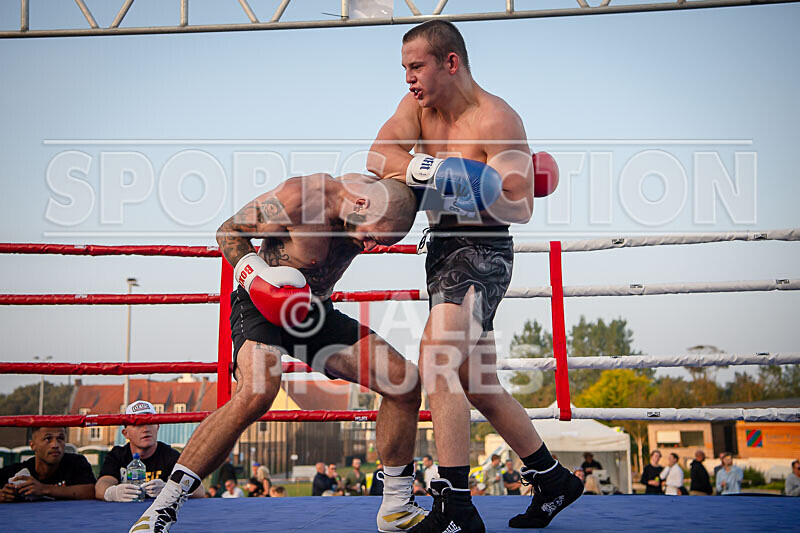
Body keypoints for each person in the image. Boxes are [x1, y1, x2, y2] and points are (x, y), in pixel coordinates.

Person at [367, 19, 578, 532]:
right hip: (440, 249)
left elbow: (521, 205)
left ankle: (456, 503)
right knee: (477, 383)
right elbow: (376, 156)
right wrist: (434, 172)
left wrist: (476, 186)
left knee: (436, 360)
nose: (409, 79)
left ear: (451, 62)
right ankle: (553, 480)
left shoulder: (496, 119)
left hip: (482, 253)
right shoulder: (418, 109)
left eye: (416, 67)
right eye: (404, 69)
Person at [129, 173, 425, 532]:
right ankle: (161, 508)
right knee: (258, 391)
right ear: (361, 204)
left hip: (313, 312)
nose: (371, 245)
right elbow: (228, 232)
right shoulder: (300, 198)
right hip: (260, 303)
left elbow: (403, 147)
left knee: (403, 381)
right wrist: (258, 280)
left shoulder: (377, 197)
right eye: (373, 235)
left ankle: (396, 508)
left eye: (381, 243)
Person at [96, 401, 204, 502]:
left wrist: (170, 489)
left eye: (150, 422)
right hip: (124, 515)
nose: (145, 429)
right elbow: (101, 486)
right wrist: (113, 493)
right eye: (138, 424)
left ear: (157, 426)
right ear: (125, 433)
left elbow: (199, 490)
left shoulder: (170, 456)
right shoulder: (118, 455)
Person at [0, 426, 95, 502]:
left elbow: (91, 491)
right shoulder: (16, 471)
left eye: (60, 438)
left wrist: (44, 489)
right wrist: (3, 496)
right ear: (33, 445)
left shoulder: (76, 463)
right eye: (48, 439)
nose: (55, 445)